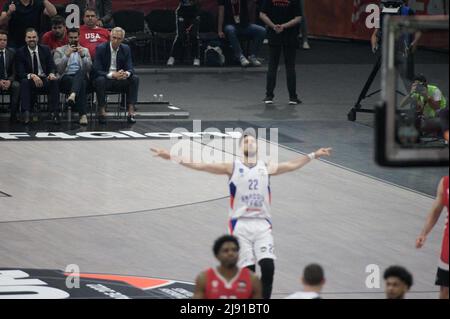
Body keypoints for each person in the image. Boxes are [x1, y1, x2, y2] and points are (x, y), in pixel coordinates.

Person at [151, 133, 332, 299]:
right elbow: (201, 165)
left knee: (268, 268)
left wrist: (313, 155)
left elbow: (292, 165)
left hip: (262, 224)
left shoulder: (266, 167)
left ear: (257, 147)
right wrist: (171, 156)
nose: (250, 142)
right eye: (246, 141)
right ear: (241, 147)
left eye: (252, 140)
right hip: (240, 225)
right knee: (249, 272)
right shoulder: (232, 167)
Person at [416, 113, 449, 299]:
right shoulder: (445, 184)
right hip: (448, 248)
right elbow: (436, 211)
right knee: (444, 290)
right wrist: (423, 233)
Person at [260, 0, 302, 106]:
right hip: (290, 35)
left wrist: (274, 26)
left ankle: (269, 96)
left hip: (275, 34)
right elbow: (298, 18)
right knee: (290, 66)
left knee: (272, 66)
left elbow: (262, 14)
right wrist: (283, 26)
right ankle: (292, 97)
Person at [93, 27, 139, 124]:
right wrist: (113, 75)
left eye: (118, 39)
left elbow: (130, 68)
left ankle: (131, 112)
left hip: (120, 79)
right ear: (110, 37)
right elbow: (96, 70)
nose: (115, 40)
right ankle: (102, 111)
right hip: (106, 79)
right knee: (99, 80)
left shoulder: (126, 49)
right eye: (114, 37)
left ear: (122, 39)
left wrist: (125, 74)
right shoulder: (101, 48)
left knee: (135, 78)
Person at [193, 235, 262, 299]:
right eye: (226, 251)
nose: (231, 253)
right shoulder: (204, 278)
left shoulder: (252, 279)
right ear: (217, 256)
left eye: (234, 250)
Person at [16, 28, 59, 124]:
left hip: (44, 79)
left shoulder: (45, 49)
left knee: (54, 81)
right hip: (30, 80)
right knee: (24, 82)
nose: (32, 39)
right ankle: (26, 113)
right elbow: (20, 72)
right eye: (29, 37)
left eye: (34, 37)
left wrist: (51, 73)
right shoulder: (20, 52)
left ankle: (54, 113)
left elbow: (52, 66)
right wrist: (32, 75)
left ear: (38, 38)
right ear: (25, 39)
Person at [54, 28, 92, 126]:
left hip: (81, 76)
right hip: (66, 78)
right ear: (67, 37)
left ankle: (73, 95)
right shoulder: (60, 50)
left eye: (75, 37)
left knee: (81, 74)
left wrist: (83, 56)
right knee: (81, 83)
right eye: (71, 37)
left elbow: (88, 68)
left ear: (79, 37)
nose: (73, 40)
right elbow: (59, 70)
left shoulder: (85, 50)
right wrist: (66, 56)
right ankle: (83, 115)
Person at [218, 0, 266, 67]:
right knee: (230, 30)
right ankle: (240, 56)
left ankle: (253, 56)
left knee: (262, 30)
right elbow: (221, 14)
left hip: (244, 25)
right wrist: (219, 30)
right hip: (230, 24)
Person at [167, 0, 201, 67]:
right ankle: (172, 57)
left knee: (193, 35)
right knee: (180, 35)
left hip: (194, 11)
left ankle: (196, 57)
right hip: (182, 11)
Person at [0, 30, 20, 123]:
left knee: (16, 85)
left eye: (4, 40)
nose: (2, 42)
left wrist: (9, 81)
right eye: (0, 39)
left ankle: (13, 116)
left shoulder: (12, 52)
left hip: (8, 80)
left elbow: (15, 71)